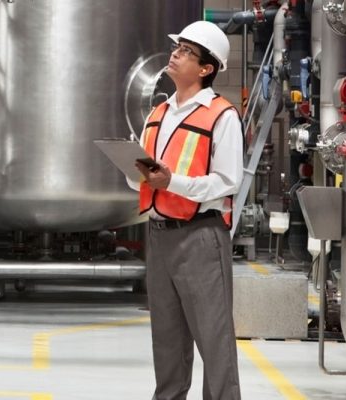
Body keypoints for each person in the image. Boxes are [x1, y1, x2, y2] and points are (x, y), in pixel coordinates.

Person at [126, 21, 243, 400]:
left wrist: (171, 182)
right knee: (168, 342)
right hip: (159, 237)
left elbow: (228, 182)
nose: (175, 54)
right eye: (177, 47)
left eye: (186, 51)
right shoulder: (158, 112)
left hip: (201, 238)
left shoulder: (221, 116)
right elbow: (142, 179)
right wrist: (134, 172)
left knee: (215, 342)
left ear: (206, 68)